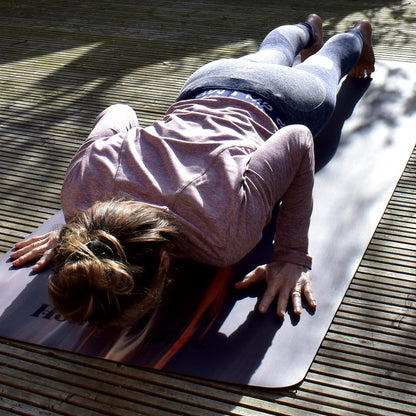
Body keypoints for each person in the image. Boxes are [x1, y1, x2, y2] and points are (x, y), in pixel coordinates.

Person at [10, 14, 375, 326]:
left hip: (287, 99)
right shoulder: (80, 194)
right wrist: (75, 224)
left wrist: (291, 255)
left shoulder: (222, 238)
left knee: (334, 58)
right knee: (272, 52)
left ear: (164, 263)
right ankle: (307, 28)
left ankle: (358, 33)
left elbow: (297, 140)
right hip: (208, 82)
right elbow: (120, 112)